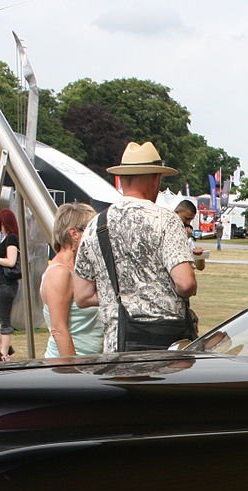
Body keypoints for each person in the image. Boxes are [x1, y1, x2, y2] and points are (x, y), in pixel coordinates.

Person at [74, 141, 196, 353]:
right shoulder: (166, 220)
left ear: (121, 181)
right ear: (155, 179)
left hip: (118, 344)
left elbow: (82, 296)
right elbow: (185, 283)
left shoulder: (95, 225)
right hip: (165, 346)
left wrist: (124, 295)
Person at [40, 202, 101, 358]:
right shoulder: (59, 273)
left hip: (94, 364)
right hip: (69, 367)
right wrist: (73, 372)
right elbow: (59, 329)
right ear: (74, 234)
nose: (97, 237)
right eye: (92, 231)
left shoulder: (82, 269)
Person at [0, 208, 21, 362]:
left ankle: (3, 354)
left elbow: (11, 261)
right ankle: (5, 347)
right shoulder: (5, 238)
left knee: (5, 320)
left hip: (6, 284)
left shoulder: (12, 238)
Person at [173, 200, 207, 270]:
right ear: (176, 212)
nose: (188, 223)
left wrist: (199, 256)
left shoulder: (186, 235)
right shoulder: (163, 230)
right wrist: (184, 238)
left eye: (191, 219)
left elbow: (200, 267)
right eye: (186, 218)